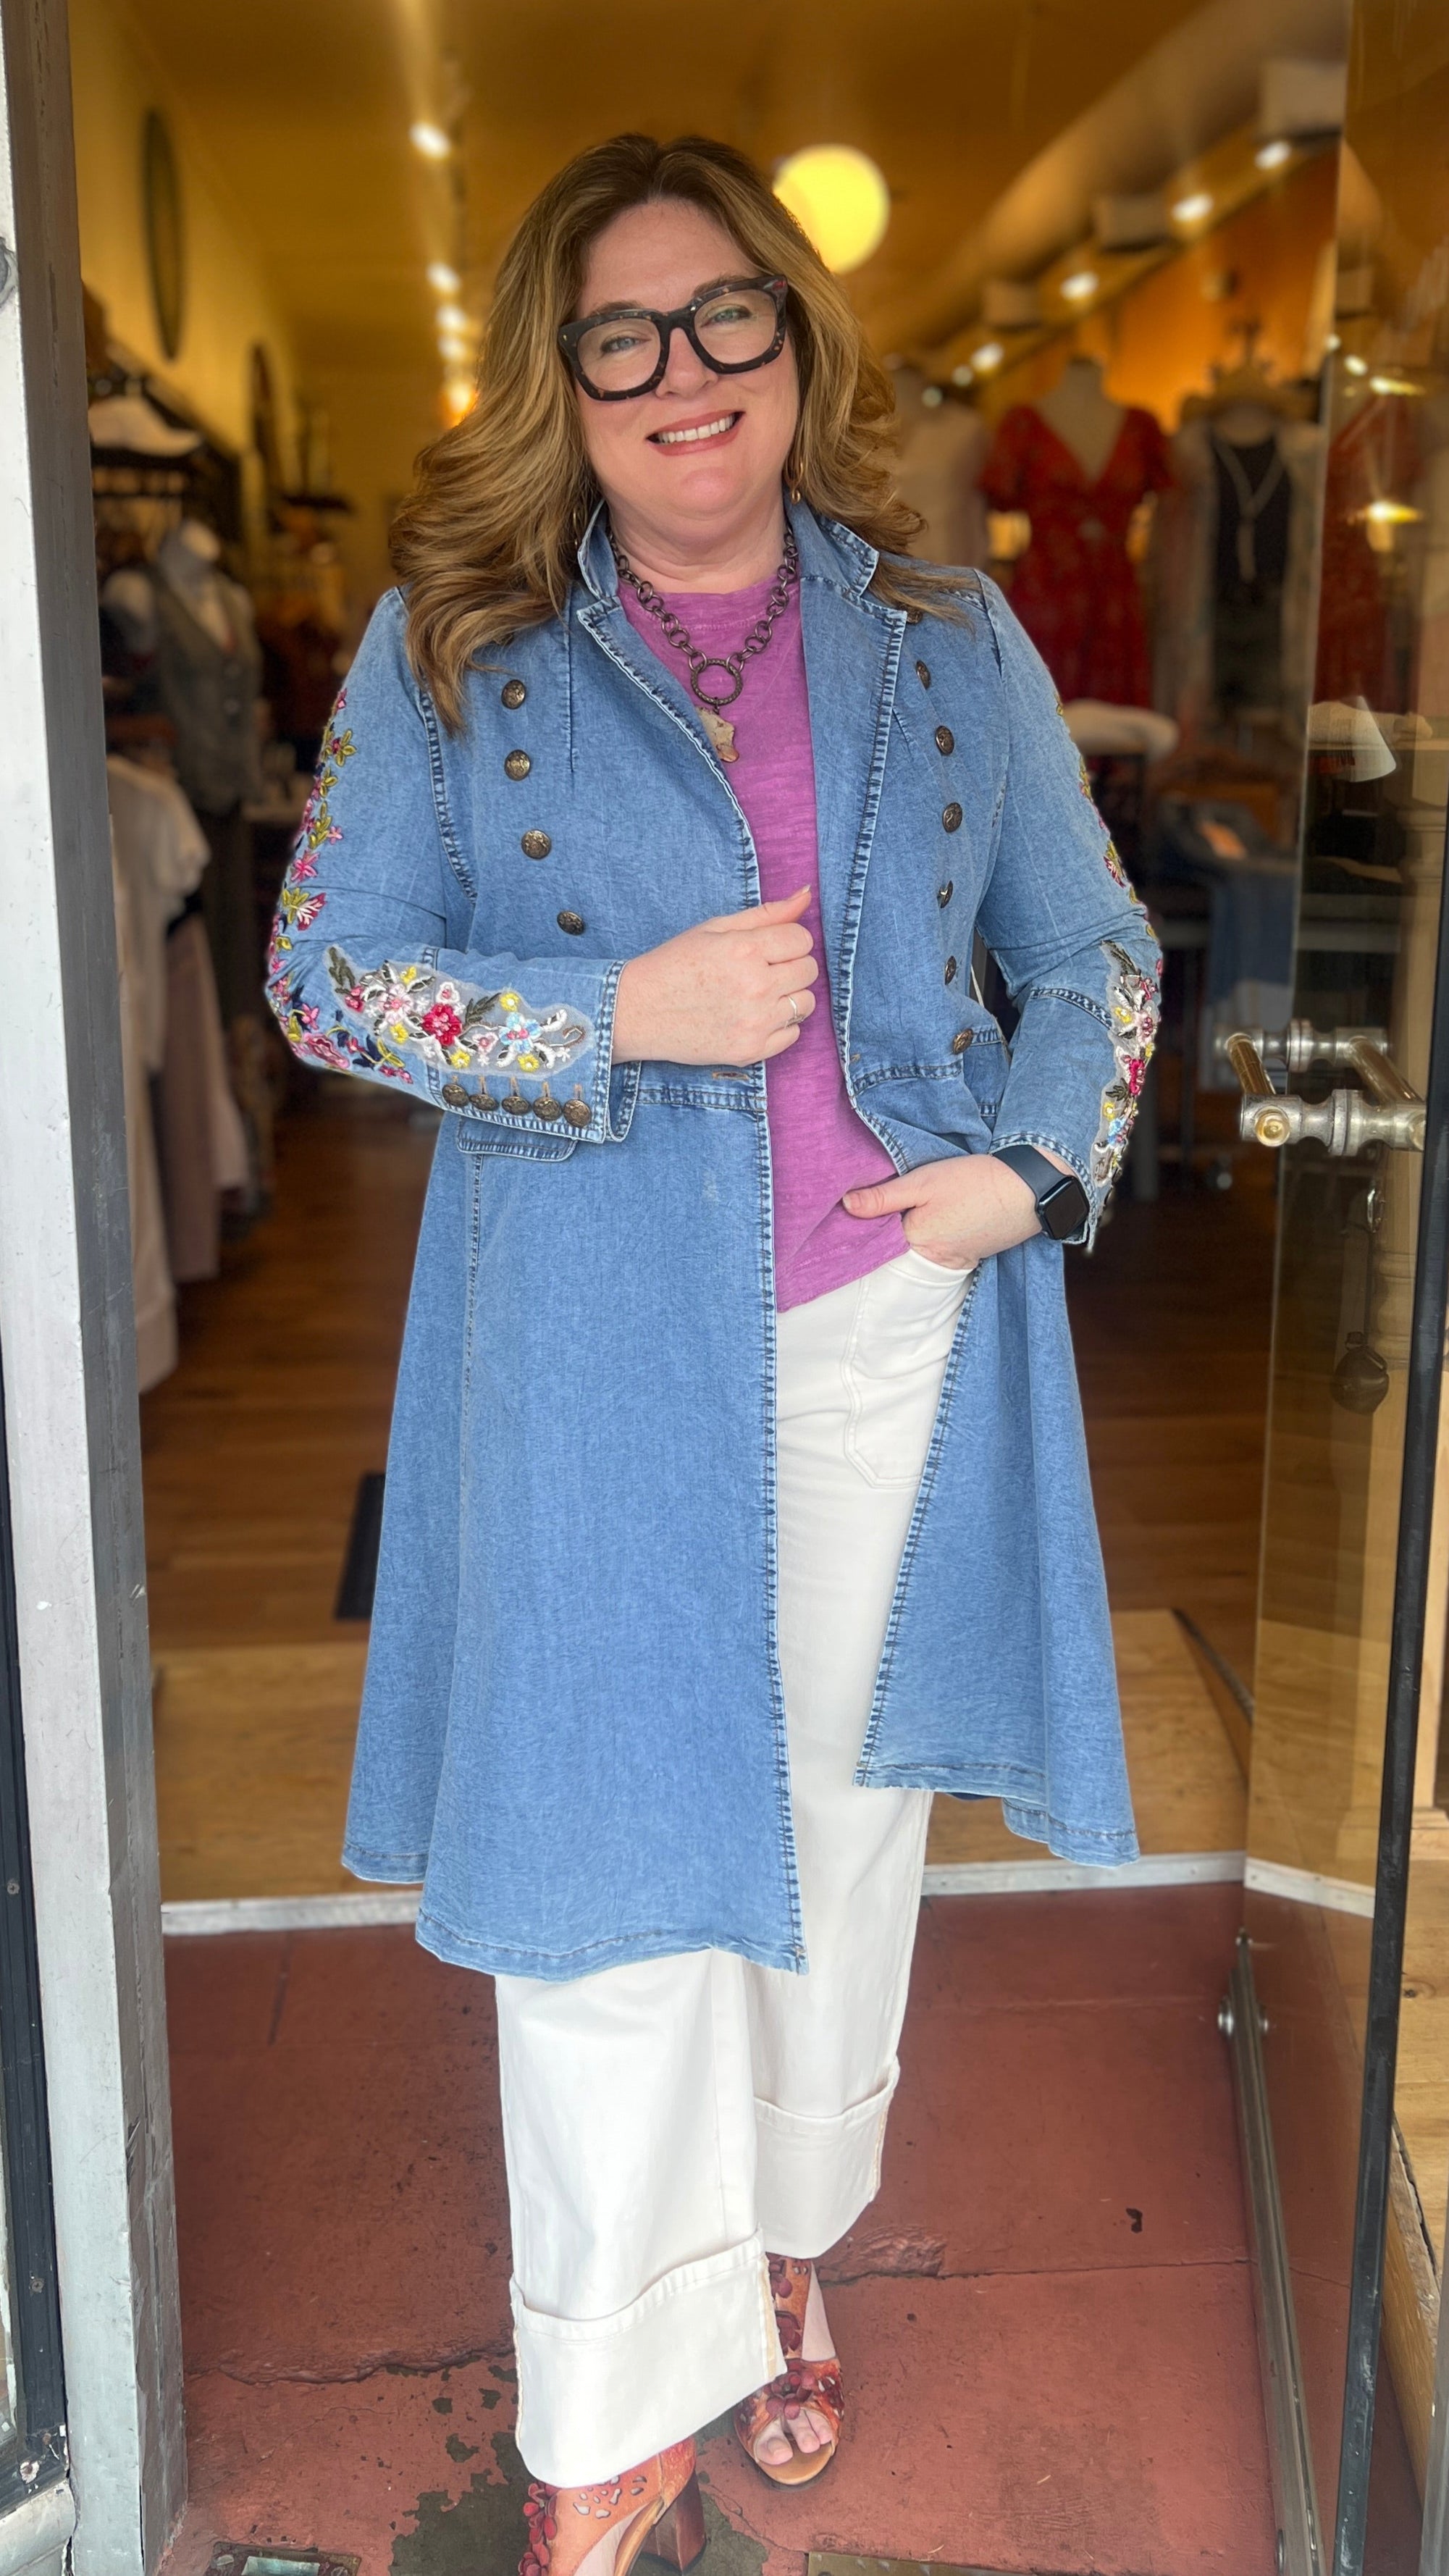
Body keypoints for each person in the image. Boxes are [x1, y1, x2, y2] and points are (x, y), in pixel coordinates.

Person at [267, 131, 1161, 2576]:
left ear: (795, 339)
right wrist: (611, 1010)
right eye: (623, 335)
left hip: (885, 1334)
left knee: (830, 1850)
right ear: (562, 378)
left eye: (725, 320)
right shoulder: (457, 643)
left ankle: (778, 2259)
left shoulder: (941, 635)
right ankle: (600, 2404)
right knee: (593, 1883)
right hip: (583, 1352)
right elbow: (324, 973)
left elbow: (1094, 951)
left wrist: (1032, 1167)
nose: (684, 377)